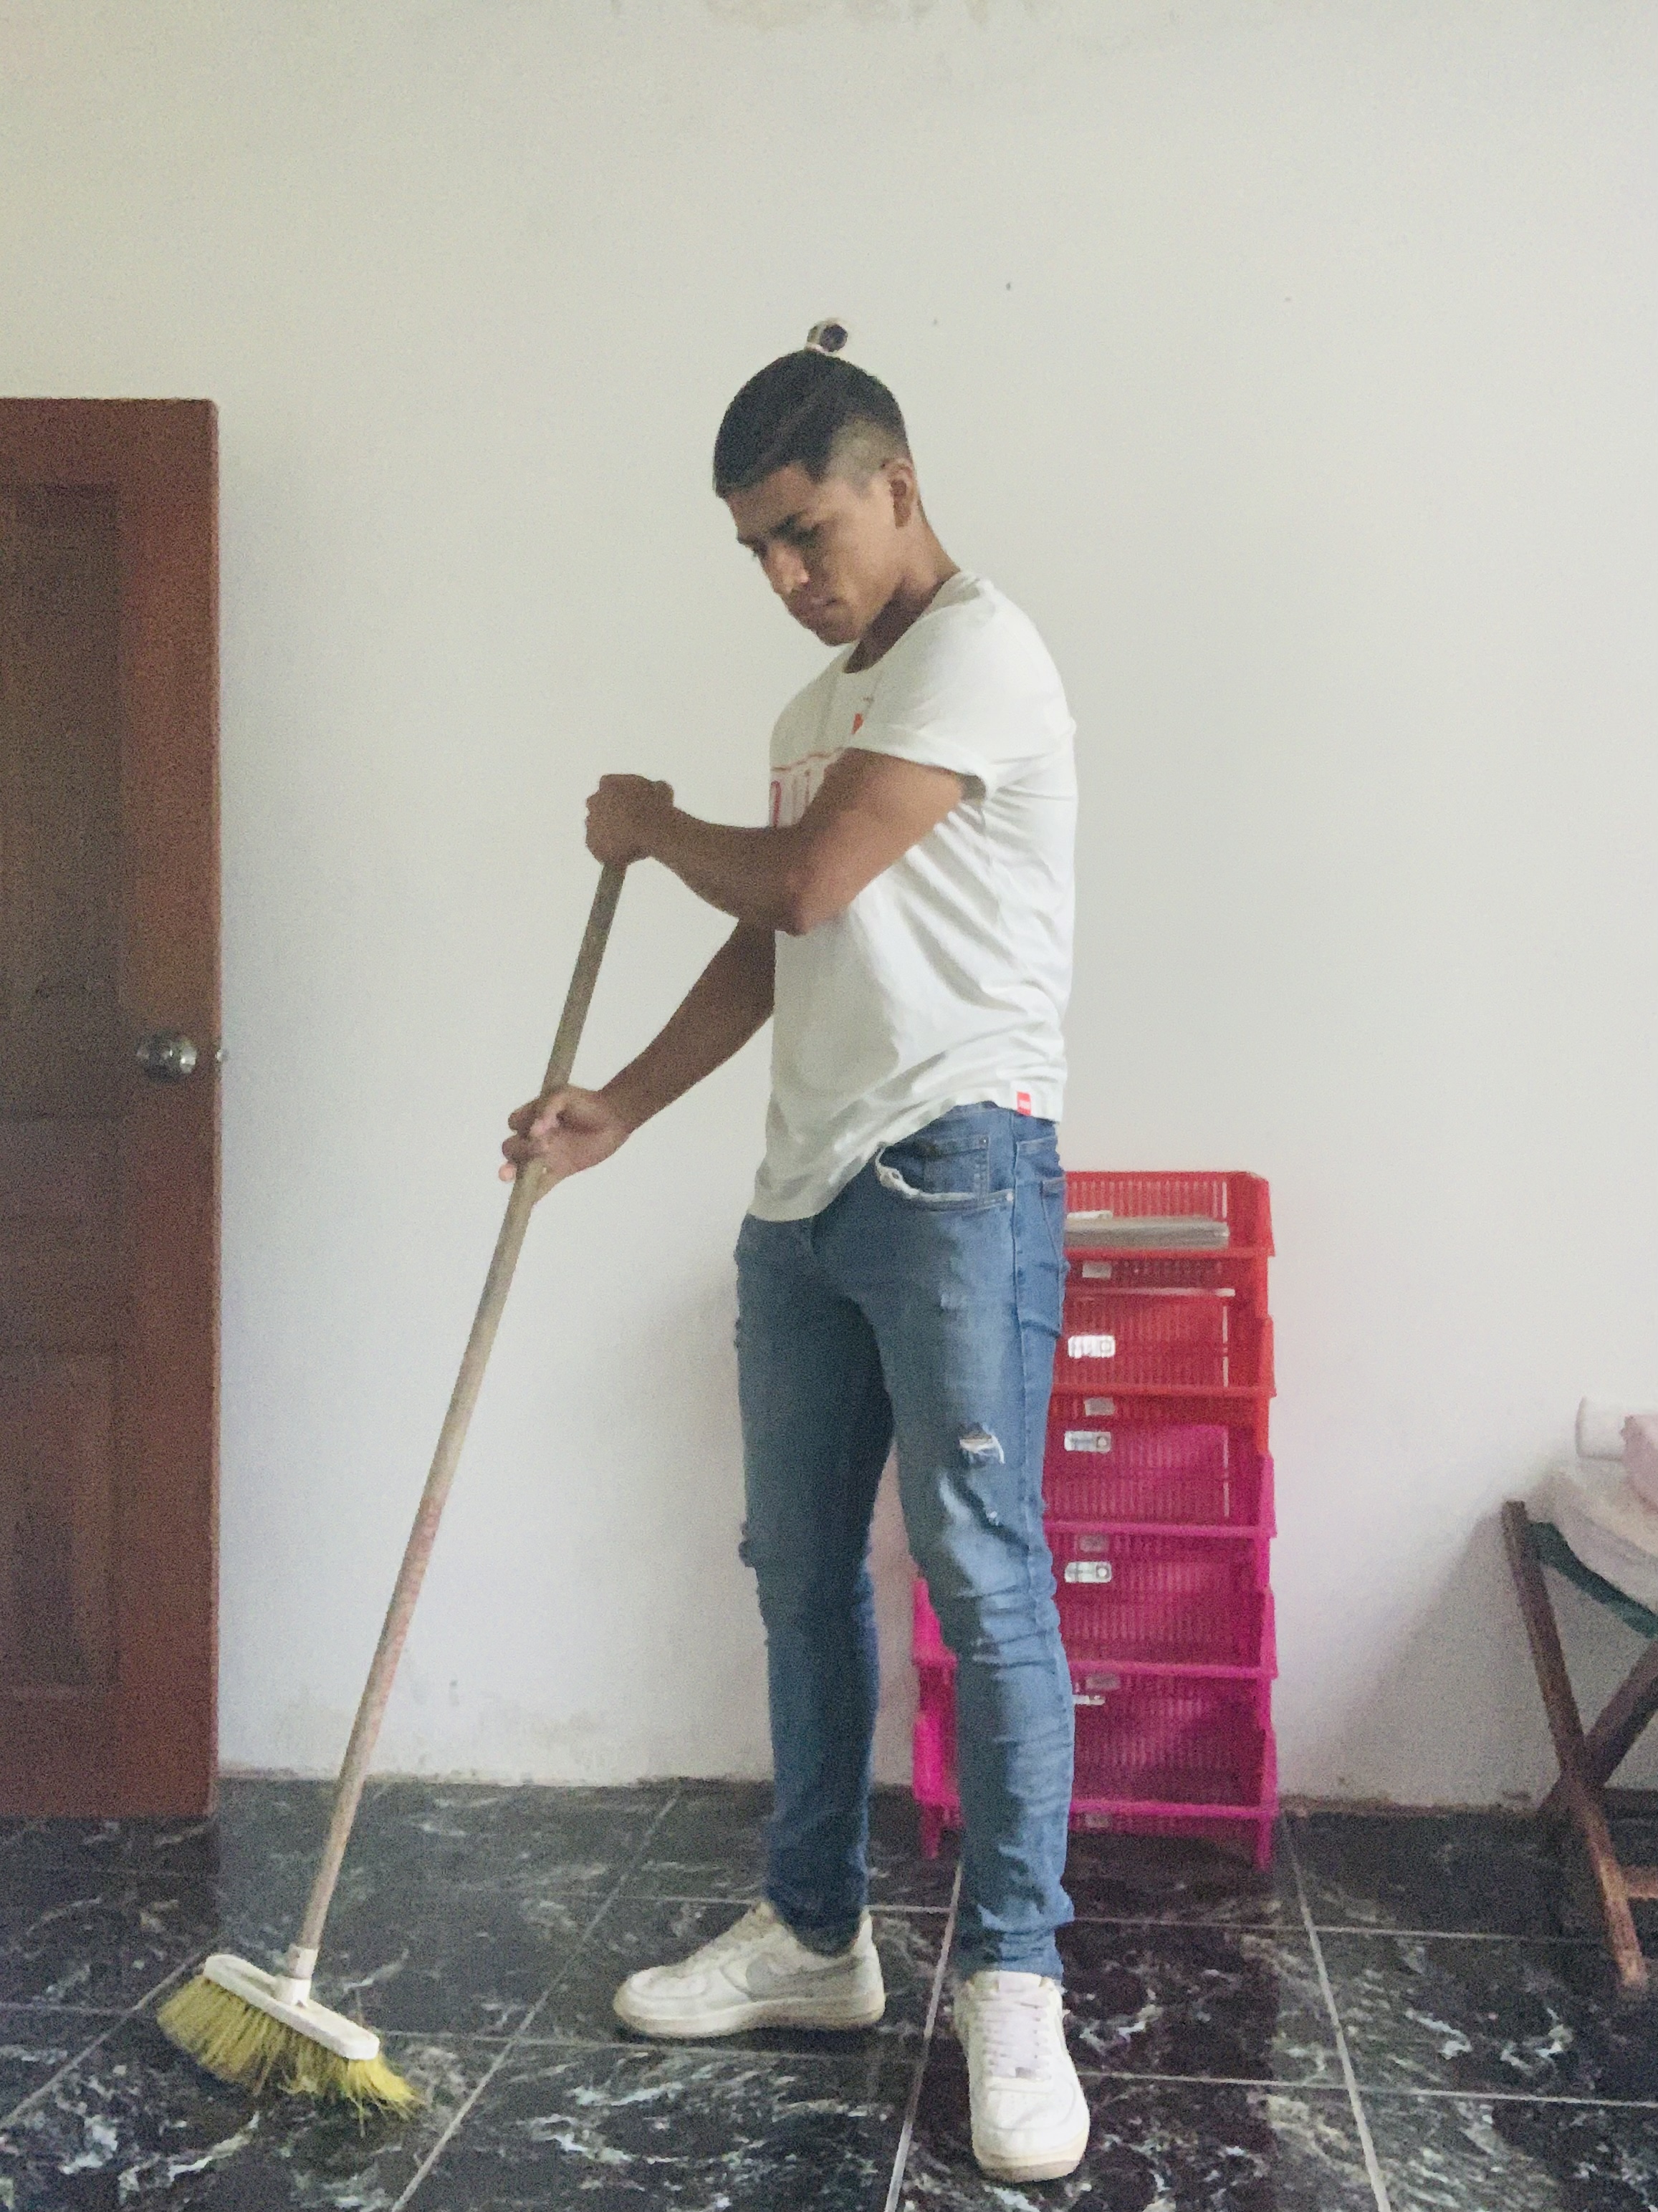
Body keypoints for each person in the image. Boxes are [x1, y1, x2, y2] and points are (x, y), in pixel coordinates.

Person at [501, 324, 1086, 2184]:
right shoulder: (812, 713)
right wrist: (617, 1106)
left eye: (801, 530)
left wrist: (650, 827)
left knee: (982, 1581)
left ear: (893, 485)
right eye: (752, 546)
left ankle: (1015, 1982)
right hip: (804, 1194)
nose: (780, 574)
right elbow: (778, 944)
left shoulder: (980, 651)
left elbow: (808, 877)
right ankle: (817, 1938)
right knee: (799, 1575)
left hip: (959, 1172)